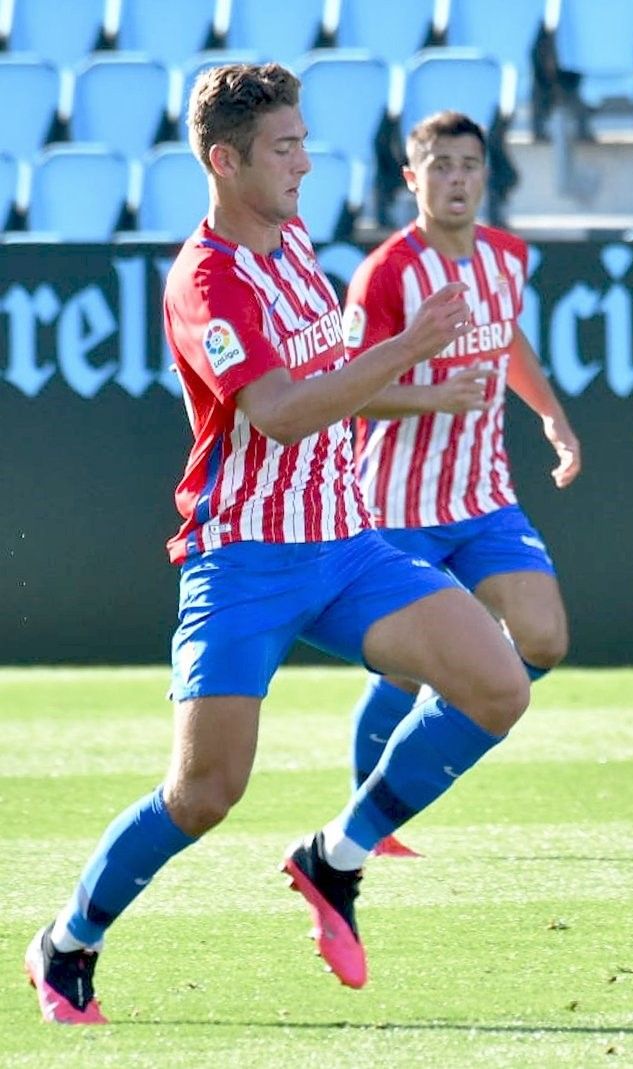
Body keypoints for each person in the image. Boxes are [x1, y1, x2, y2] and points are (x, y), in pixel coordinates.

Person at [24, 64, 531, 1025]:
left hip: (346, 545)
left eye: (304, 140)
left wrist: (393, 365)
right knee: (205, 792)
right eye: (285, 147)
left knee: (500, 685)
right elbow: (284, 415)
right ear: (225, 161)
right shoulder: (205, 280)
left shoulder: (295, 239)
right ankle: (67, 941)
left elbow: (329, 381)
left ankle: (333, 859)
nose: (307, 162)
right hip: (245, 561)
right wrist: (409, 346)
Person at [340, 110, 579, 858]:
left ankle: (451, 703)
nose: (456, 179)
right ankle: (369, 819)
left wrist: (552, 418)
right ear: (412, 179)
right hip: (399, 504)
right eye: (439, 165)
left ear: (486, 176)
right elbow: (341, 387)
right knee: (407, 671)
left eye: (469, 165)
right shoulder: (384, 273)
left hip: (483, 498)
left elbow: (507, 336)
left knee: (545, 635)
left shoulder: (507, 257)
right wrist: (426, 396)